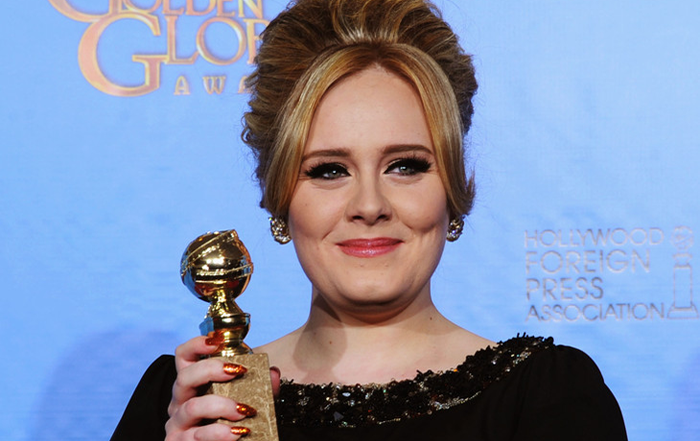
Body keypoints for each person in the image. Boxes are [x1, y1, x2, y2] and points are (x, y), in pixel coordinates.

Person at [111, 0, 628, 440]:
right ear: (280, 196)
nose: (369, 204)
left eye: (405, 165)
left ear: (452, 188)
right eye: (329, 170)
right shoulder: (189, 402)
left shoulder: (549, 397)